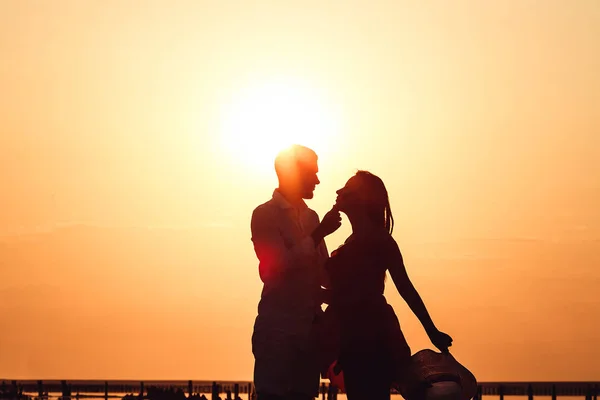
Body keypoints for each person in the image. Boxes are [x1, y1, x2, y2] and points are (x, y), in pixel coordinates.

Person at [320, 170, 453, 400]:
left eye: (348, 189)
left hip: (370, 335)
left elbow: (405, 288)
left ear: (363, 199)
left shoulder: (380, 240)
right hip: (351, 336)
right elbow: (342, 293)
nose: (338, 191)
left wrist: (432, 331)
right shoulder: (351, 241)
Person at [250, 144, 342, 400]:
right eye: (312, 173)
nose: (317, 180)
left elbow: (322, 276)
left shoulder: (312, 218)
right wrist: (318, 234)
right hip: (278, 332)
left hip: (308, 333)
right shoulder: (264, 215)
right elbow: (273, 270)